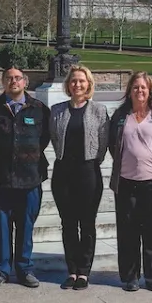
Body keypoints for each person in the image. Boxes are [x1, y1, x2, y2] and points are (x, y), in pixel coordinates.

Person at [0, 66, 50, 289]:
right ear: (3, 82)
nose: (13, 82)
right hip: (0, 178)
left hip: (30, 178)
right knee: (1, 227)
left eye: (18, 78)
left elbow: (45, 138)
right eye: (9, 78)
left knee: (26, 226)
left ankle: (24, 268)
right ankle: (1, 269)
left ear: (25, 82)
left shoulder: (39, 109)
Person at [109, 71, 152, 292]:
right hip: (126, 183)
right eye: (135, 87)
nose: (139, 91)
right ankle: (130, 277)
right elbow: (112, 145)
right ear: (129, 91)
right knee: (128, 232)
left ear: (150, 91)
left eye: (143, 87)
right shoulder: (120, 116)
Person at [49, 65, 109, 290]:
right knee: (68, 224)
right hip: (63, 172)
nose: (77, 84)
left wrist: (93, 159)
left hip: (88, 172)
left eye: (82, 81)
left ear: (89, 84)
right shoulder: (57, 110)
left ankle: (84, 271)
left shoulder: (99, 111)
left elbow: (103, 143)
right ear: (68, 84)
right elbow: (55, 139)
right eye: (73, 81)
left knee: (87, 223)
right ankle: (72, 270)